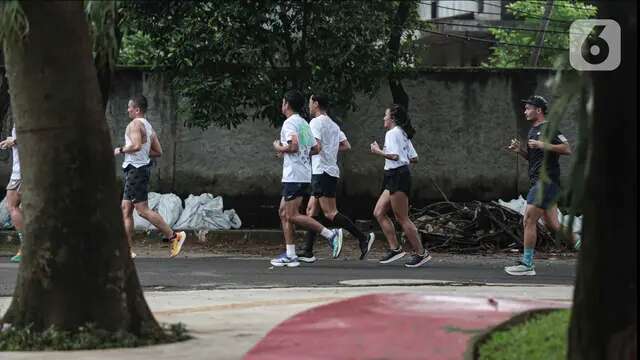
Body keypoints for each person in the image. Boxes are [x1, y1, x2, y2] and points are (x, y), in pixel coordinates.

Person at [297, 94, 375, 263]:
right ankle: (307, 250)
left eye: (310, 103)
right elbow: (346, 145)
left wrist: (299, 152)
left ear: (316, 103)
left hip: (322, 171)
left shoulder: (316, 122)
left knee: (330, 212)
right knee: (311, 210)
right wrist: (330, 149)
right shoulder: (333, 124)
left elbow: (316, 147)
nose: (309, 106)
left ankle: (363, 238)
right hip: (329, 170)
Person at [271, 90, 343, 267]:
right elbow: (316, 148)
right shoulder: (304, 123)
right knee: (283, 212)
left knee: (292, 215)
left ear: (286, 104)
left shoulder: (289, 123)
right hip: (303, 174)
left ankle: (330, 234)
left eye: (282, 102)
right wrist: (298, 153)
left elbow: (293, 145)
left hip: (294, 175)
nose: (282, 105)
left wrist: (279, 148)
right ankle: (290, 254)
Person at [504, 95, 573, 276]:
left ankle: (527, 264)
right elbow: (535, 159)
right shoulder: (532, 131)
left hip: (546, 181)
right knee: (553, 225)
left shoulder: (549, 128)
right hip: (539, 181)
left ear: (539, 110)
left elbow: (567, 149)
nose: (525, 111)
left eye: (528, 108)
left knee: (528, 220)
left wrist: (543, 144)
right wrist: (521, 151)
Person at [114, 95, 186, 259]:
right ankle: (127, 250)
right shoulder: (148, 126)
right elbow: (157, 151)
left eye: (129, 107)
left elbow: (137, 145)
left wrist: (121, 150)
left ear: (137, 109)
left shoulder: (134, 124)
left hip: (136, 170)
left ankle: (174, 236)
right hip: (138, 169)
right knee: (126, 209)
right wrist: (142, 154)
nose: (128, 110)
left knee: (142, 210)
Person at [370, 104, 431, 268]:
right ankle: (395, 249)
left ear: (392, 118)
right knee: (379, 212)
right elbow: (415, 158)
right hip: (394, 175)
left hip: (397, 175)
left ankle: (421, 253)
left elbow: (396, 156)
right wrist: (401, 158)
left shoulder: (392, 133)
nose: (384, 118)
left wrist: (378, 151)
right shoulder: (402, 133)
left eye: (386, 115)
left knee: (402, 218)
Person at [1, 126, 24, 263]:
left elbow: (29, 139)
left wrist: (13, 141)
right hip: (30, 170)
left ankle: (26, 247)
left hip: (20, 172)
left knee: (12, 206)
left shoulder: (26, 115)